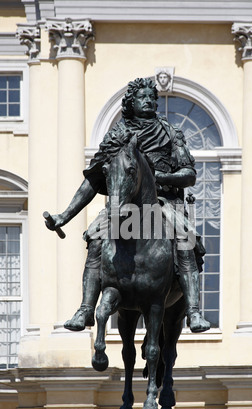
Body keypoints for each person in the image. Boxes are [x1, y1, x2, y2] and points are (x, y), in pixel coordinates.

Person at [45, 77, 210, 333]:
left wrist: (161, 178)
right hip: (122, 206)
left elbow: (189, 173)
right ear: (130, 102)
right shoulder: (117, 136)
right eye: (142, 97)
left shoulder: (170, 132)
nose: (148, 101)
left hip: (163, 202)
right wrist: (64, 216)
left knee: (184, 238)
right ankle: (86, 309)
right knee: (96, 237)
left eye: (152, 98)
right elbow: (94, 180)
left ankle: (193, 312)